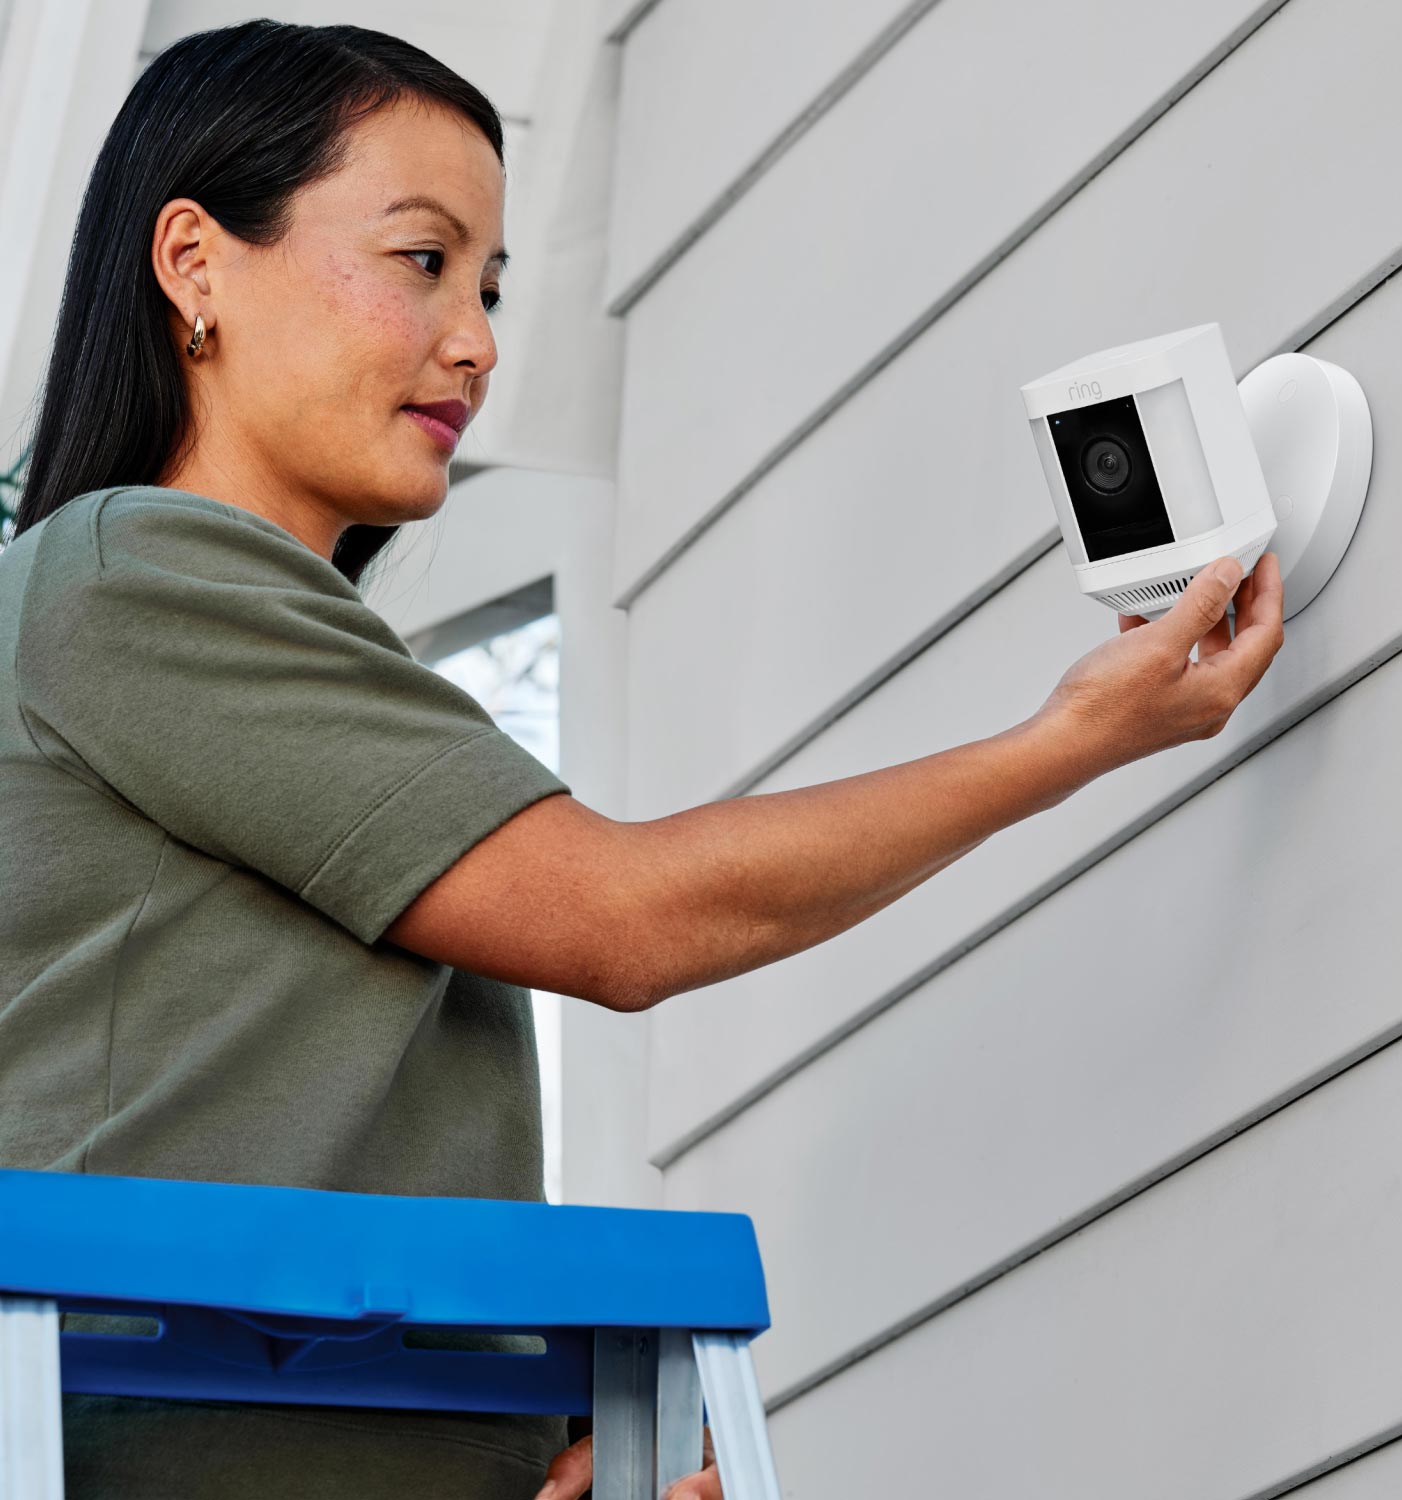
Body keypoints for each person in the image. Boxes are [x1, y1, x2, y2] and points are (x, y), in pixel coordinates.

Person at [0, 18, 1285, 1500]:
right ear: (195, 262)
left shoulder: (241, 636)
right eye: (421, 262)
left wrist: (532, 1443)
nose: (476, 339)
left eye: (489, 289)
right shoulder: (134, 576)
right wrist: (1065, 744)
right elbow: (623, 919)